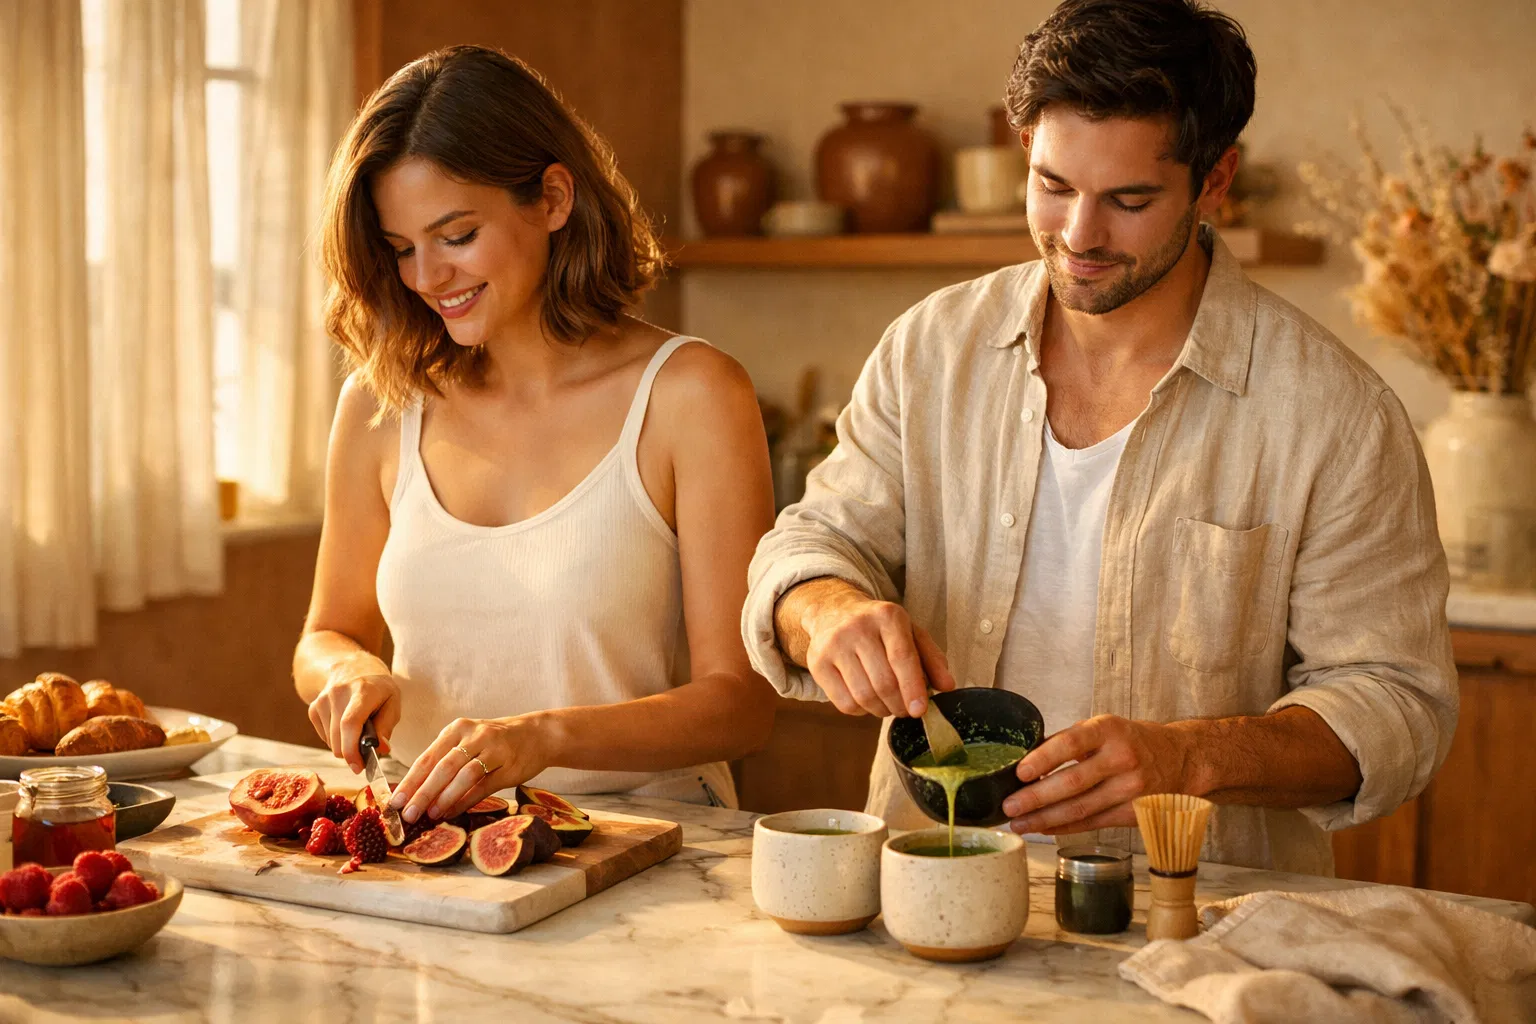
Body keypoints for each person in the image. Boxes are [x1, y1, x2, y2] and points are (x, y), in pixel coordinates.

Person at [742, 0, 1457, 873]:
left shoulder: (1336, 415)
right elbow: (813, 543)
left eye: (1128, 200)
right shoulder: (931, 348)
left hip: (1197, 919)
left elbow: (1400, 705)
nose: (1079, 237)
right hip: (929, 879)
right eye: (1053, 186)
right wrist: (830, 612)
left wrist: (1189, 759)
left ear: (1217, 180)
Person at [294, 45, 776, 825]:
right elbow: (327, 631)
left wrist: (542, 737)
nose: (426, 278)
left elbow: (741, 706)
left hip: (648, 838)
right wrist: (345, 670)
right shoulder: (380, 404)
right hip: (432, 833)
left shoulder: (691, 394)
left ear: (552, 198)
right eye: (401, 249)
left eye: (456, 235)